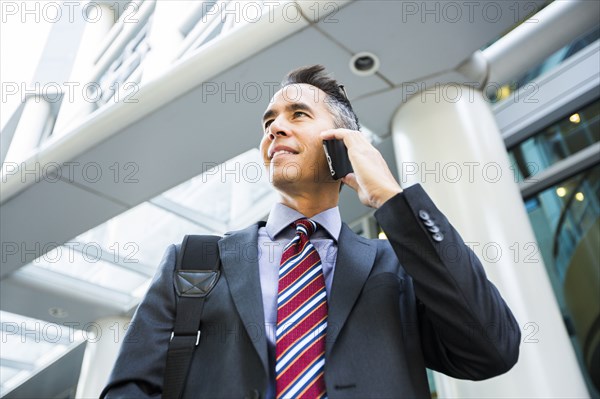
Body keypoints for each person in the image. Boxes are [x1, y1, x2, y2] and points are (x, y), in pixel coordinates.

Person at [101, 65, 520, 398]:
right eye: (269, 121)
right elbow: (130, 387)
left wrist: (393, 199)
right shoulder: (193, 260)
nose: (274, 129)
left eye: (298, 115)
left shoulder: (396, 266)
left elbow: (492, 348)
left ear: (344, 142)